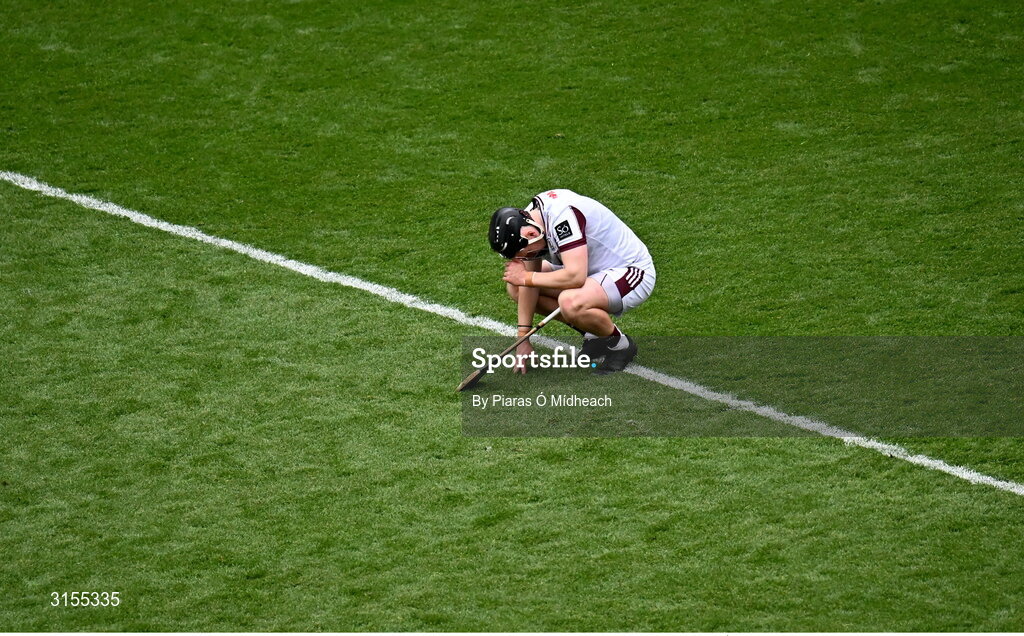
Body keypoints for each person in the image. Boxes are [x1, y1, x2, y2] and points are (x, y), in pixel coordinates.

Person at [489, 189, 655, 375]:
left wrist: (527, 277)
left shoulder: (562, 217)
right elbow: (529, 283)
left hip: (629, 270)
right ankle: (594, 336)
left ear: (530, 234)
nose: (528, 257)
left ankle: (620, 345)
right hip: (589, 269)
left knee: (570, 302)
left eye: (526, 253)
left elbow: (575, 277)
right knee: (517, 288)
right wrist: (523, 338)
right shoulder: (530, 220)